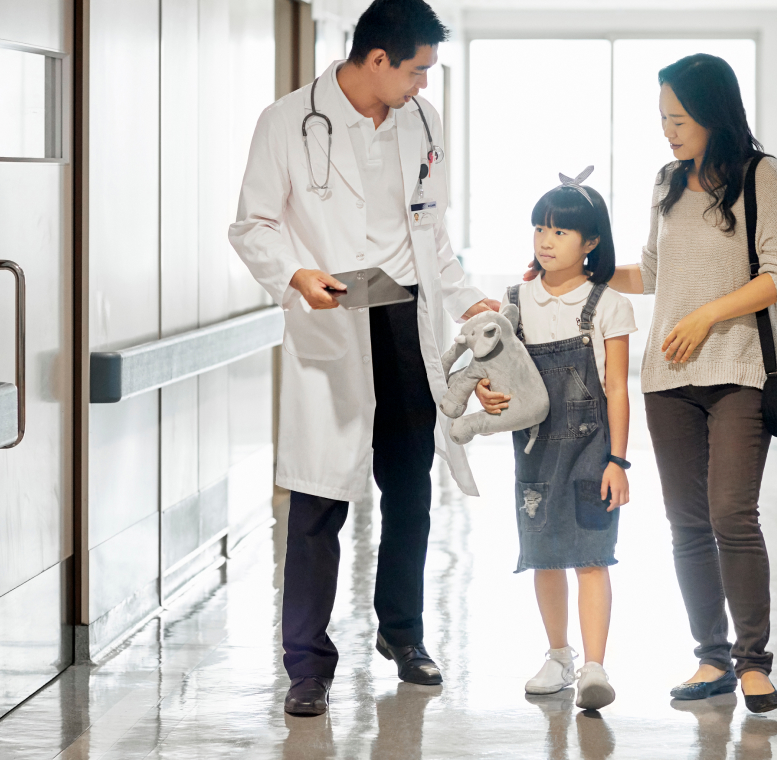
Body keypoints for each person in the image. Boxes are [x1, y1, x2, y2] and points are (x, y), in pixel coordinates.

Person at [228, 0, 497, 718]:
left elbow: (433, 235)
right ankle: (308, 666)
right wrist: (292, 274)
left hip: (407, 316)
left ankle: (403, 635)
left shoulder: (422, 123)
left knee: (409, 492)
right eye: (416, 71)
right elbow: (251, 223)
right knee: (318, 498)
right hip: (334, 315)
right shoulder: (288, 121)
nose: (423, 86)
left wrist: (468, 299)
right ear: (377, 59)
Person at [614, 53, 777, 713]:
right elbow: (650, 272)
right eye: (663, 119)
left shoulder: (760, 174)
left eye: (680, 118)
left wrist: (706, 315)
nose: (669, 130)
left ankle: (754, 664)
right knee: (687, 522)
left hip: (739, 371)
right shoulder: (667, 179)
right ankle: (710, 658)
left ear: (714, 114)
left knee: (731, 514)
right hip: (667, 376)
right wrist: (583, 269)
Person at [489, 170, 636, 711]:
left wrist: (619, 460)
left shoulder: (607, 304)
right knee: (544, 555)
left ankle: (595, 668)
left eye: (560, 232)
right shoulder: (513, 301)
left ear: (590, 242)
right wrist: (486, 393)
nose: (546, 241)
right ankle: (559, 656)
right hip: (533, 450)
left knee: (593, 556)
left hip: (592, 452)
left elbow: (617, 389)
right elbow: (497, 373)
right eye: (539, 229)